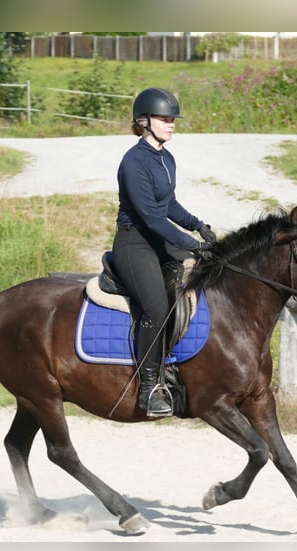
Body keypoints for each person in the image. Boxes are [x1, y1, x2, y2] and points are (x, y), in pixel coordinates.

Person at [112, 87, 217, 417]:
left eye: (173, 119)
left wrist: (200, 225)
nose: (171, 124)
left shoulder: (166, 158)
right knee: (156, 309)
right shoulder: (133, 161)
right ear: (144, 121)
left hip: (159, 242)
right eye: (164, 119)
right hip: (134, 244)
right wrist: (193, 245)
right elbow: (151, 218)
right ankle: (147, 390)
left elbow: (168, 204)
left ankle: (173, 372)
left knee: (184, 301)